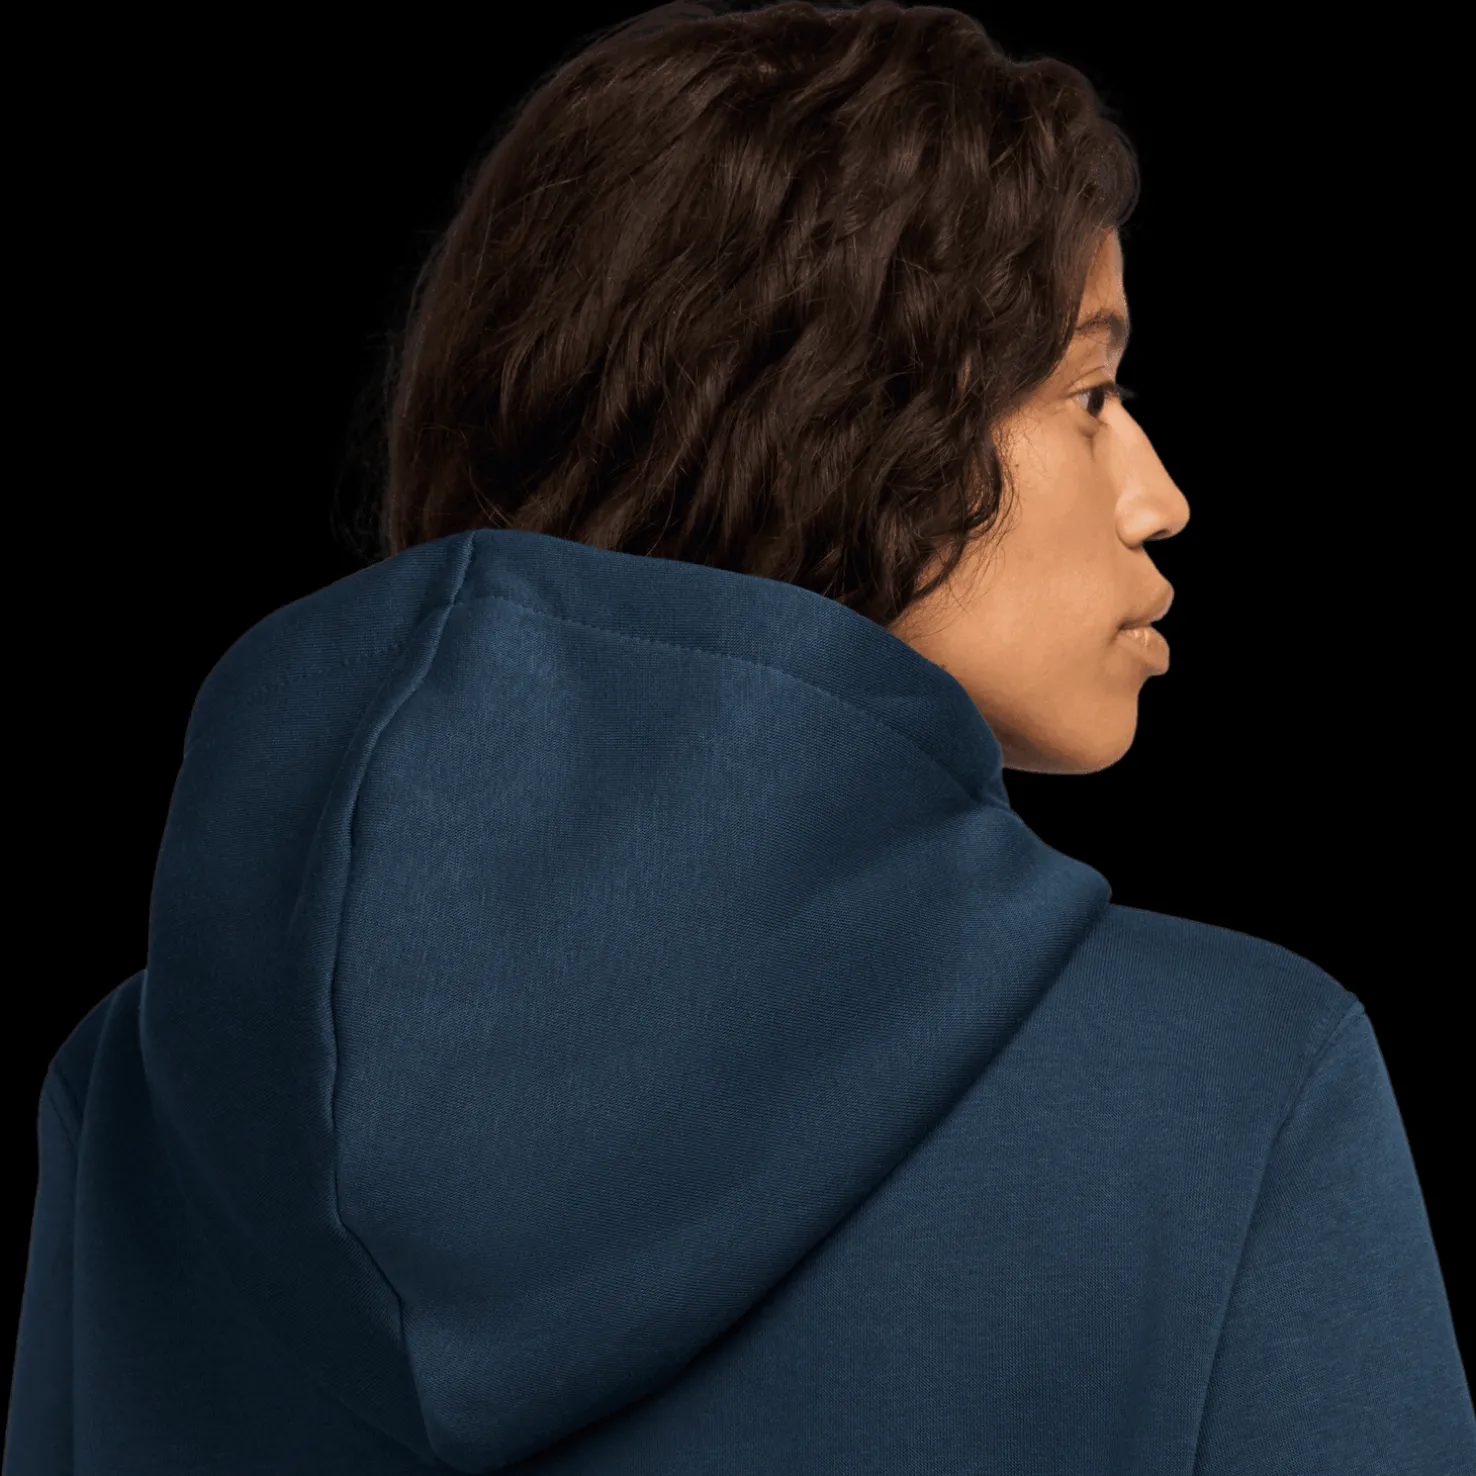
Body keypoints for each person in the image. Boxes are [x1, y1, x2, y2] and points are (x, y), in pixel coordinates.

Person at [7, 3, 1472, 1474]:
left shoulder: (146, 1099)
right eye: (1089, 394)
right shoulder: (1242, 1083)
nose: (1158, 496)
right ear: (833, 425)